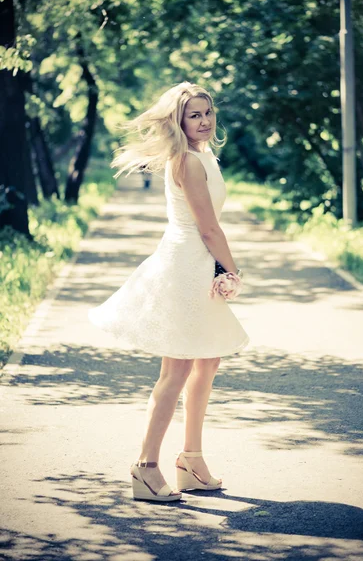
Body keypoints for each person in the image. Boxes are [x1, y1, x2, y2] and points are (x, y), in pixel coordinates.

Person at [89, 82, 249, 503]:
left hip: (199, 265)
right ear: (178, 120)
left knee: (208, 360)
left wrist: (221, 268)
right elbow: (208, 227)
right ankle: (145, 467)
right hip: (184, 267)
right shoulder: (187, 162)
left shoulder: (204, 154)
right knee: (175, 370)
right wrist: (232, 270)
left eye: (208, 112)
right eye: (194, 114)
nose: (204, 120)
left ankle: (191, 461)